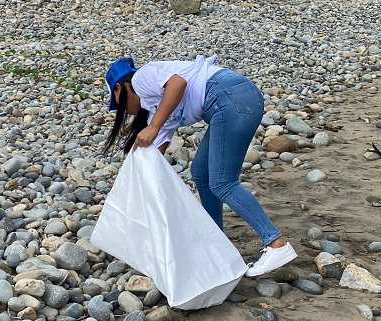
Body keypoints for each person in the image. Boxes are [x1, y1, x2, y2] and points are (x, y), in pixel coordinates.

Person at [104, 56, 297, 277]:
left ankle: (276, 243)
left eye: (116, 102)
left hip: (231, 96)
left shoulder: (140, 78)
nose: (122, 110)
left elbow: (177, 83)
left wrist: (154, 127)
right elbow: (154, 154)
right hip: (232, 100)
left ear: (119, 87)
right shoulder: (156, 108)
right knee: (201, 173)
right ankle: (218, 246)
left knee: (223, 182)